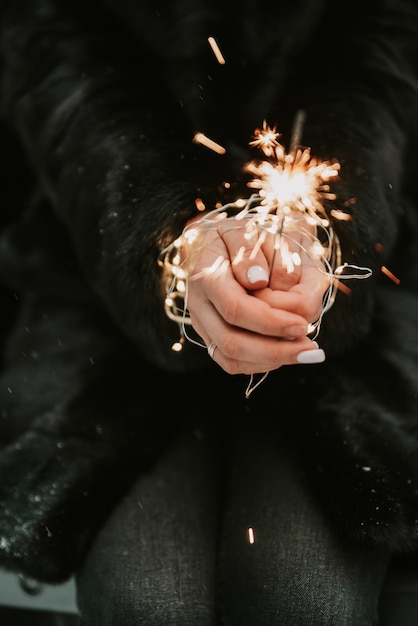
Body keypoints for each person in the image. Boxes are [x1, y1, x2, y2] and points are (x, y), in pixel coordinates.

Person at [0, 0, 418, 624]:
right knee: (153, 602)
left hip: (354, 318)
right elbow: (56, 65)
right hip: (96, 276)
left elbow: (374, 62)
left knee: (302, 599)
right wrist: (166, 239)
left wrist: (317, 235)